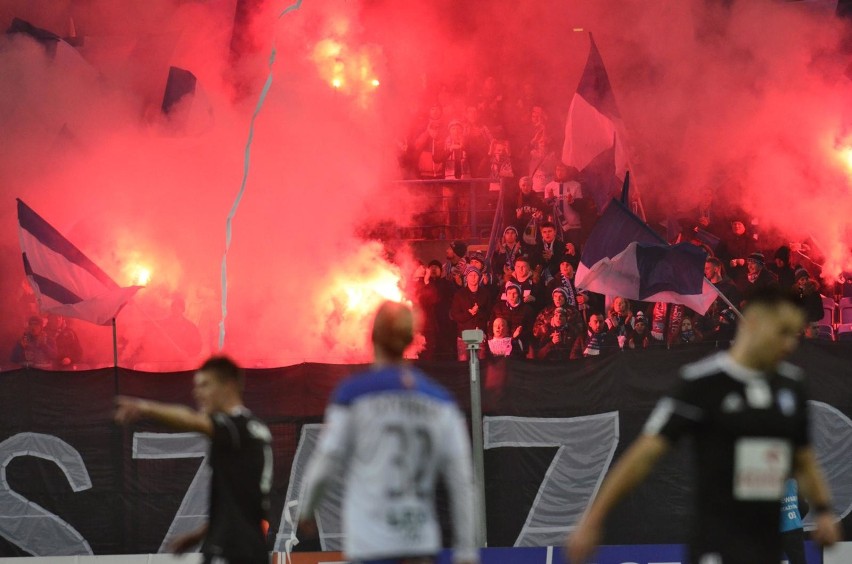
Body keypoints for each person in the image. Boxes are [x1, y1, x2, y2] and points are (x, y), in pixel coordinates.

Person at [565, 287, 842, 564]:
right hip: (715, 544)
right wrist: (593, 518)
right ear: (755, 323)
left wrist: (825, 511)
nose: (789, 344)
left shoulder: (792, 386)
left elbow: (803, 456)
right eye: (782, 331)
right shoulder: (701, 382)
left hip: (766, 545)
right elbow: (644, 455)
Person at [298, 301, 479, 564]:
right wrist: (466, 552)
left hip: (371, 545)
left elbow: (327, 459)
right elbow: (461, 481)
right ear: (410, 340)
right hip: (420, 544)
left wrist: (306, 510)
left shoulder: (353, 394)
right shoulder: (441, 402)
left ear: (372, 338)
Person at [115, 356, 273, 564]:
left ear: (229, 385)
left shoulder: (234, 427)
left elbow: (192, 420)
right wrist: (200, 534)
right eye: (196, 386)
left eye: (205, 385)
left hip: (230, 549)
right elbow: (240, 501)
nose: (197, 392)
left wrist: (145, 408)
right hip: (252, 549)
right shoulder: (256, 428)